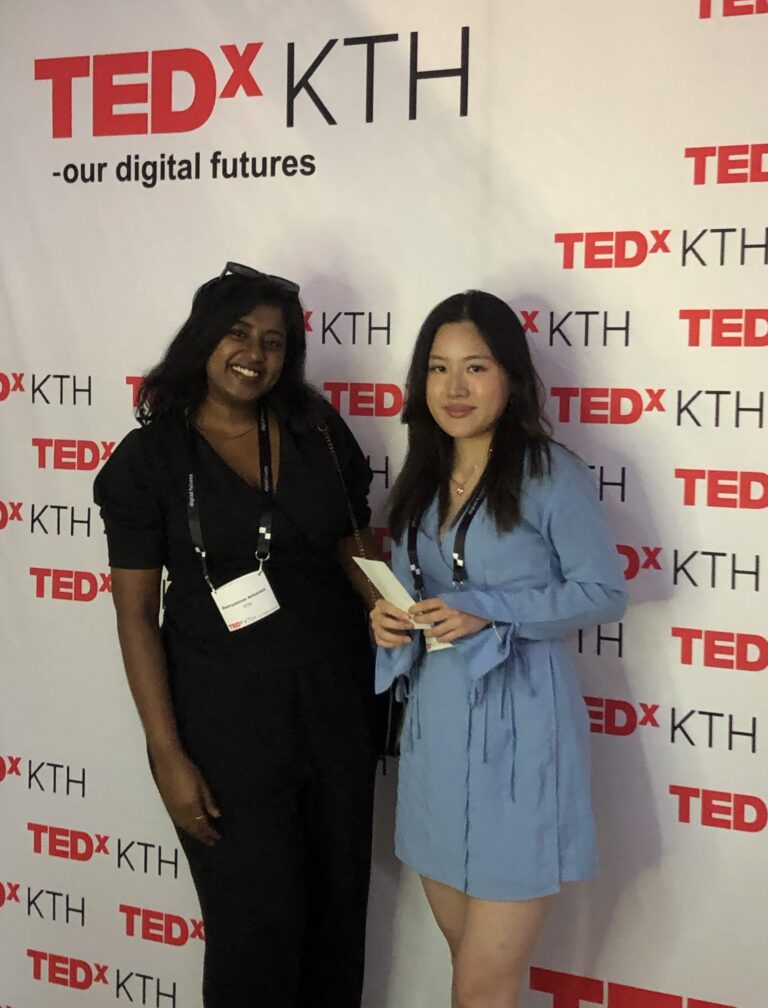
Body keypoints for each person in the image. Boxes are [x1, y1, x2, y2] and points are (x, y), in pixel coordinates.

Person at [94, 263, 379, 1008]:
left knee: (334, 922)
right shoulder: (149, 460)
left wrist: (397, 606)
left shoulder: (316, 431)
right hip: (224, 725)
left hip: (335, 706)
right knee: (256, 933)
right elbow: (134, 615)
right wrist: (166, 755)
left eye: (276, 341)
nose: (256, 353)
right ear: (204, 339)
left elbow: (352, 547)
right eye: (238, 333)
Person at [370, 291, 628, 1008]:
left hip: (523, 737)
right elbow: (422, 594)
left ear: (510, 376)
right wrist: (389, 625)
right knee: (473, 972)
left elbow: (604, 593)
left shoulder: (549, 473)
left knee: (482, 982)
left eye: (475, 367)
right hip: (436, 737)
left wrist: (490, 611)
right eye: (439, 368)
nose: (455, 388)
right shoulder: (420, 476)